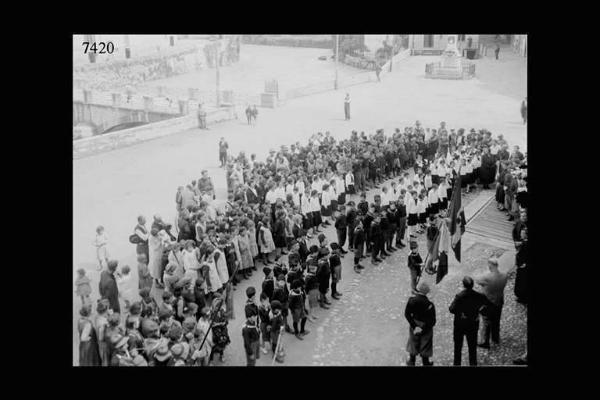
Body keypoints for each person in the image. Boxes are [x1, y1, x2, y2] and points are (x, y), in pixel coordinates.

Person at [449, 276, 489, 366]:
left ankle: (457, 364)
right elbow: (485, 307)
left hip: (460, 325)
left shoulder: (460, 296)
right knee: (472, 347)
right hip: (473, 324)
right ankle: (473, 364)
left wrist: (461, 313)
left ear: (463, 285)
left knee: (458, 347)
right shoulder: (479, 296)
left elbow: (452, 309)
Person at [476, 258, 508, 349]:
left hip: (488, 302)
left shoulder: (487, 277)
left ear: (490, 266)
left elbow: (478, 280)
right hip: (499, 302)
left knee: (486, 322)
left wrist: (486, 273)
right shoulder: (504, 275)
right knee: (496, 321)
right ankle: (495, 338)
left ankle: (485, 342)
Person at [404, 281, 436, 366]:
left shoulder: (412, 300)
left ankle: (411, 361)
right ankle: (426, 363)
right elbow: (433, 321)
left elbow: (407, 314)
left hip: (415, 322)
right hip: (426, 325)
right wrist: (424, 328)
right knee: (425, 343)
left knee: (413, 341)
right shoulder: (430, 304)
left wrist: (414, 326)